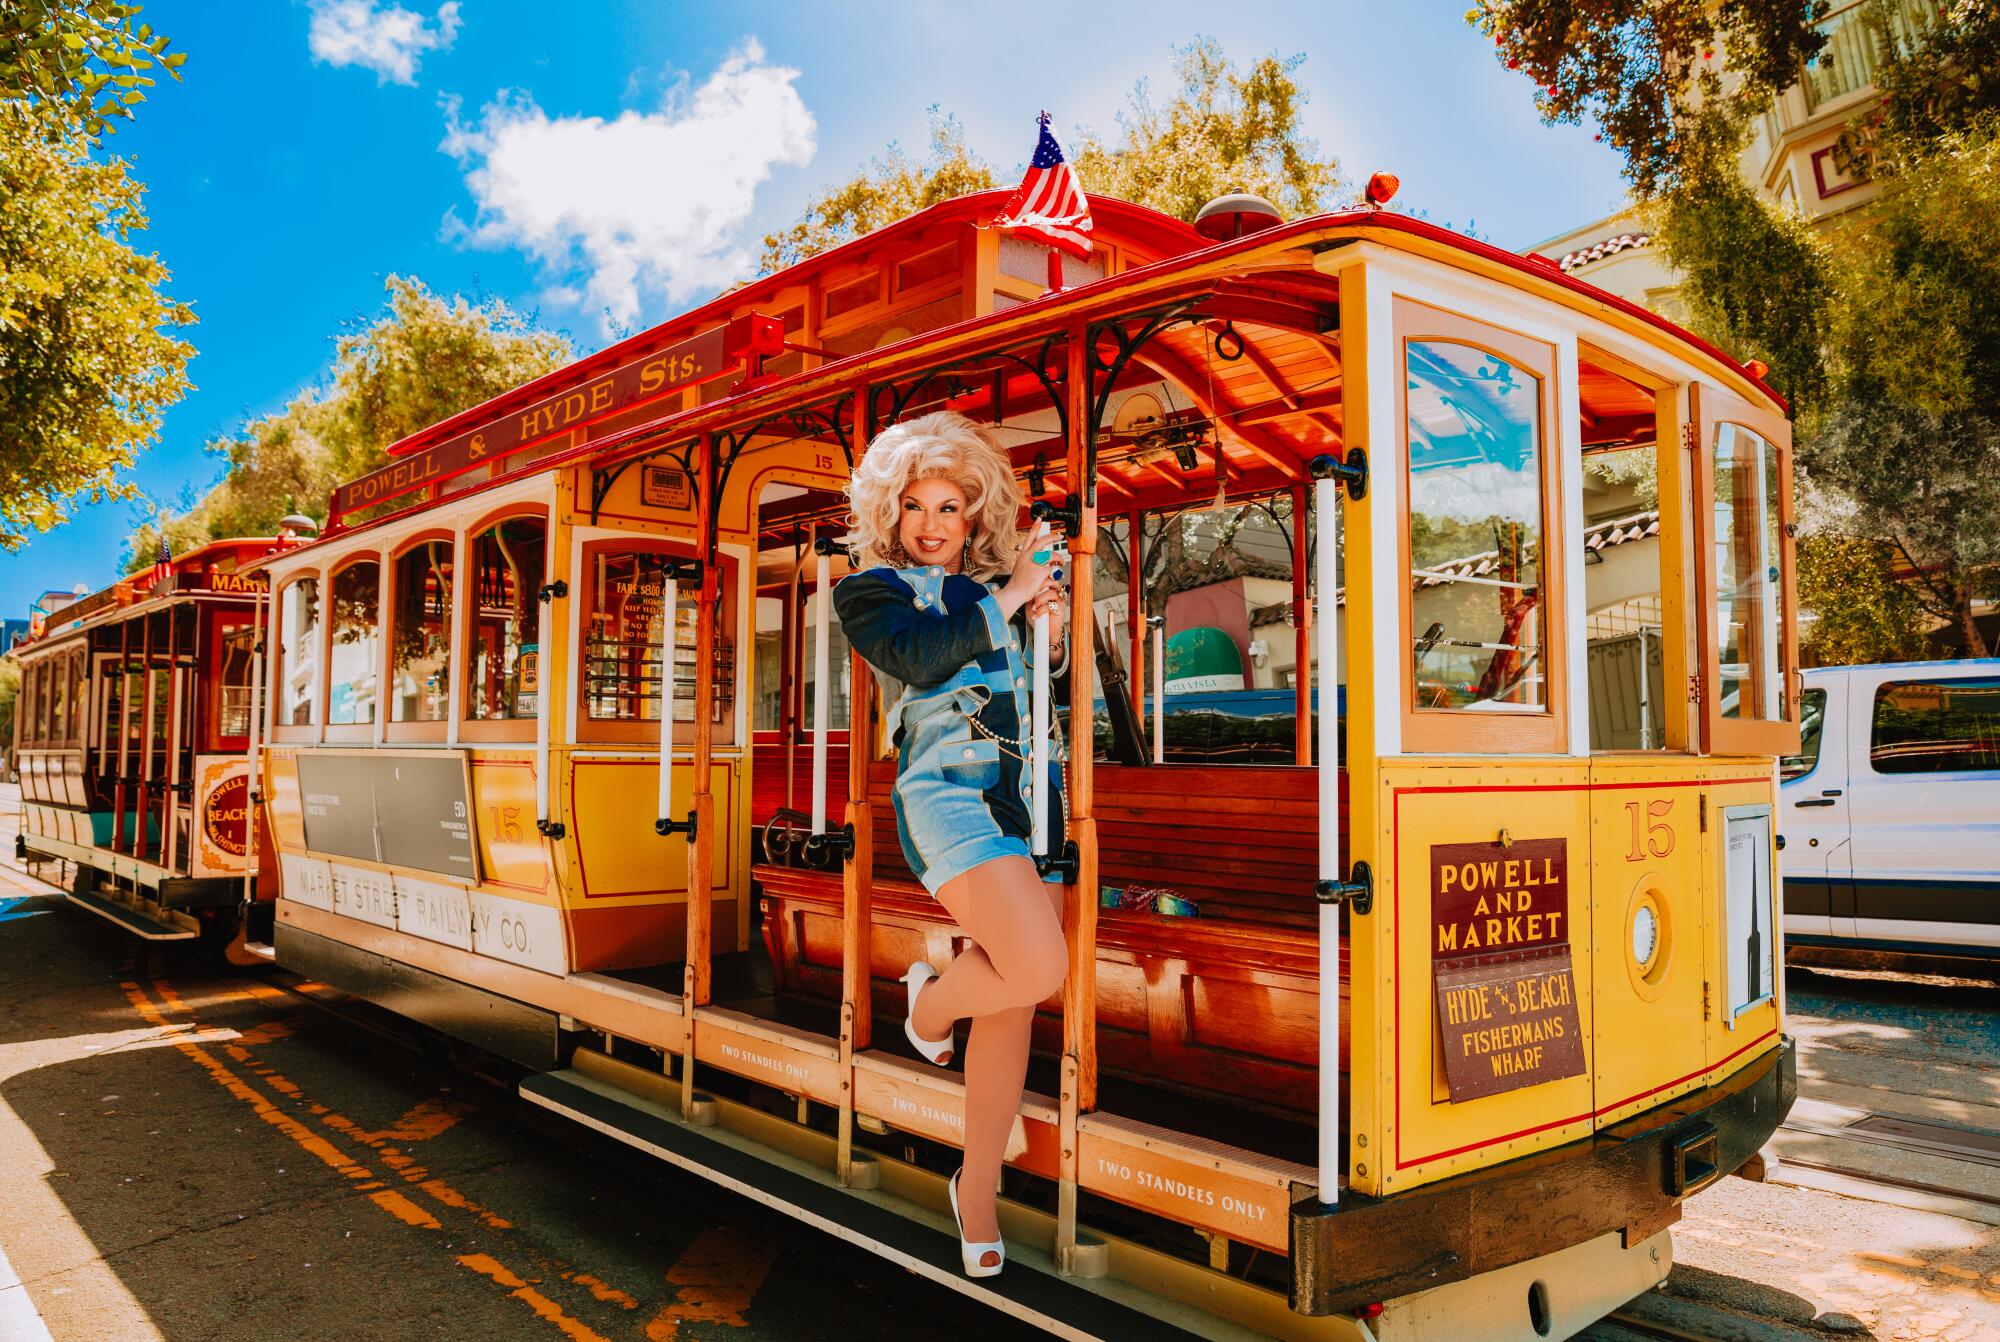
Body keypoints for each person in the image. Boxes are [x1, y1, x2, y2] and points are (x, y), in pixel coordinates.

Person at [833, 410, 1069, 1278]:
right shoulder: (868, 593)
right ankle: (928, 1004)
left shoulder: (994, 589)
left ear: (975, 516)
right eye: (916, 507)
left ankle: (975, 1192)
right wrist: (1007, 598)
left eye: (951, 508)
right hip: (947, 798)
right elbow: (925, 660)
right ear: (890, 514)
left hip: (1031, 796)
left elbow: (1047, 687)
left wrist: (1047, 619)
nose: (932, 525)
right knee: (1038, 964)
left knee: (1013, 1001)